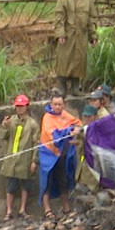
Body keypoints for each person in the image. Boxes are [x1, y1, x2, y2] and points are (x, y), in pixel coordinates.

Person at [38, 91, 81, 219]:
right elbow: (54, 136)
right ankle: (47, 209)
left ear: (64, 105)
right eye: (55, 104)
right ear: (51, 104)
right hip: (48, 154)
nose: (57, 107)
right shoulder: (47, 118)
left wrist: (76, 129)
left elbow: (77, 123)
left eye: (60, 104)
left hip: (62, 155)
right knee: (47, 181)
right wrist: (68, 131)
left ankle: (66, 208)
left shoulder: (66, 115)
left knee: (64, 180)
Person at [53, 0, 97, 95]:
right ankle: (61, 86)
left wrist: (93, 36)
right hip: (68, 35)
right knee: (64, 60)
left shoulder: (88, 1)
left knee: (79, 61)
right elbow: (59, 17)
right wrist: (60, 34)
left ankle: (75, 87)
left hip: (81, 36)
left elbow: (91, 20)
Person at [0, 94, 39, 220]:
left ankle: (22, 209)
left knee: (26, 184)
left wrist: (34, 161)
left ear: (27, 107)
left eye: (22, 106)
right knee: (11, 185)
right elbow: (1, 136)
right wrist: (4, 126)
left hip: (25, 159)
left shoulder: (32, 124)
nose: (19, 109)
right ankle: (9, 210)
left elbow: (36, 143)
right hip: (12, 158)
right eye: (17, 106)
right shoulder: (11, 121)